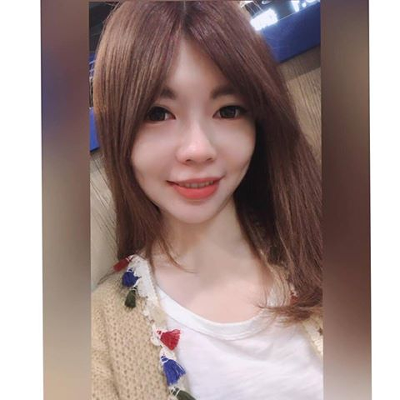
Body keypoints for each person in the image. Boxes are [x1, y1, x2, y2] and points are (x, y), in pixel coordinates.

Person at [91, 1, 322, 399]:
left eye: (228, 110)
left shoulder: (336, 250)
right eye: (157, 113)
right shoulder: (97, 335)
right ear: (118, 131)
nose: (198, 149)